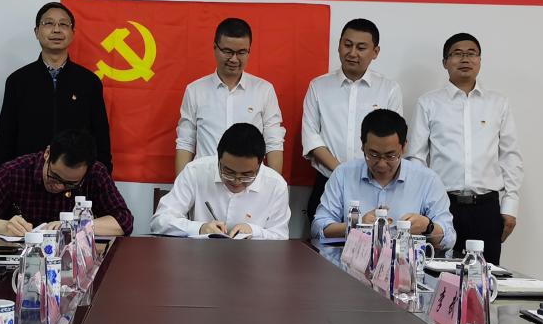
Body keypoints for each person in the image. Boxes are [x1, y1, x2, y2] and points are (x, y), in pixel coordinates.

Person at [408, 32, 523, 265]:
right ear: (445, 62)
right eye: (457, 54)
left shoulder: (497, 103)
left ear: (479, 60)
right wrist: (420, 205)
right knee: (437, 273)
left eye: (471, 54)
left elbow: (510, 156)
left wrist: (510, 205)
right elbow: (416, 158)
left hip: (486, 208)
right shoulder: (428, 103)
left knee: (485, 276)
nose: (465, 59)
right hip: (442, 206)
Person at [301, 18, 403, 222]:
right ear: (339, 45)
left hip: (373, 183)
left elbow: (393, 138)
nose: (352, 53)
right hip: (327, 180)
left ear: (375, 52)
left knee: (372, 239)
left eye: (361, 47)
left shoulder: (389, 89)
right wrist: (342, 172)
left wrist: (361, 173)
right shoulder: (318, 86)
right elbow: (311, 137)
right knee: (322, 237)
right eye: (347, 45)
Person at [310, 109, 455, 251]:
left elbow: (449, 239)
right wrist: (355, 225)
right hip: (350, 262)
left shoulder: (427, 180)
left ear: (404, 146)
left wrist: (428, 227)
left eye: (390, 156)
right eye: (373, 155)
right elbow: (318, 228)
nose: (381, 164)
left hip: (405, 263)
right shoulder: (343, 174)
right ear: (362, 145)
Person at [0, 1, 112, 171]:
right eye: (48, 23)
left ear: (72, 33)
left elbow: (100, 138)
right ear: (36, 32)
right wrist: (2, 177)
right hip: (27, 177)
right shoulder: (18, 81)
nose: (56, 30)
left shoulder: (89, 82)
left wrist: (102, 175)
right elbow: (5, 139)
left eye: (63, 24)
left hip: (76, 177)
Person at [0, 129, 133, 237]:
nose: (59, 186)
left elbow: (123, 221)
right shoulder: (14, 172)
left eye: (70, 184)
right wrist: (4, 226)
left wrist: (75, 226)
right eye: (54, 176)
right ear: (47, 154)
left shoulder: (95, 173)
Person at [175, 17, 285, 177]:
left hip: (248, 181)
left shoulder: (264, 90)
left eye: (241, 52)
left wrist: (274, 185)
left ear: (249, 51)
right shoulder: (195, 90)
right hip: (205, 180)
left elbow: (274, 142)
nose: (234, 59)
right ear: (215, 48)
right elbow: (186, 142)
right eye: (227, 51)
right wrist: (181, 185)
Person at [152, 124, 290, 239]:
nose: (236, 181)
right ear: (218, 158)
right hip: (200, 256)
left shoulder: (276, 185)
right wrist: (200, 228)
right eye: (228, 172)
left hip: (254, 259)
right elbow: (160, 221)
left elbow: (281, 236)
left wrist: (254, 231)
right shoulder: (195, 171)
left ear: (260, 164)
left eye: (247, 175)